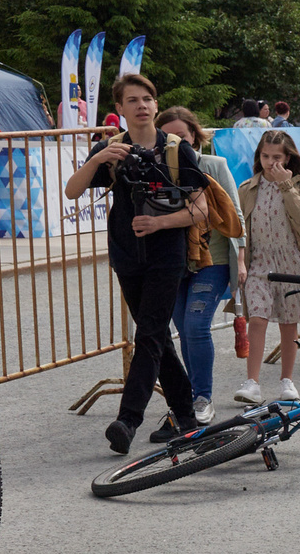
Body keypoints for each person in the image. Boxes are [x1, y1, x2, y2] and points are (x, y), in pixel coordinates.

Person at [64, 74, 207, 452]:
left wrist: (159, 222)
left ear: (156, 106)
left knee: (147, 334)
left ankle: (128, 420)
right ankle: (186, 416)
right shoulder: (110, 149)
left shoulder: (177, 151)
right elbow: (71, 191)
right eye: (133, 100)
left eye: (147, 98)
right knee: (156, 336)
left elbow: (201, 210)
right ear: (121, 109)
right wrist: (98, 157)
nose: (142, 105)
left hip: (166, 255)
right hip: (126, 255)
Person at [234, 128, 300, 407]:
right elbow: (239, 229)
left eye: (277, 156)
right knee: (258, 318)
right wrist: (240, 263)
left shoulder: (296, 184)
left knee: (289, 324)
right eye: (265, 156)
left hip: (290, 261)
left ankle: (286, 381)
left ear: (288, 158)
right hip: (259, 263)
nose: (270, 161)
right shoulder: (248, 188)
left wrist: (286, 185)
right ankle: (252, 382)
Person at [159, 108, 240, 426]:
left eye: (183, 136)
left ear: (196, 135)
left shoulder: (214, 166)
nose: (177, 143)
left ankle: (203, 397)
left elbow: (236, 216)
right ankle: (194, 397)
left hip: (214, 259)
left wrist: (242, 262)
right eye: (169, 137)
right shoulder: (157, 169)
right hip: (174, 262)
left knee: (195, 326)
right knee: (184, 331)